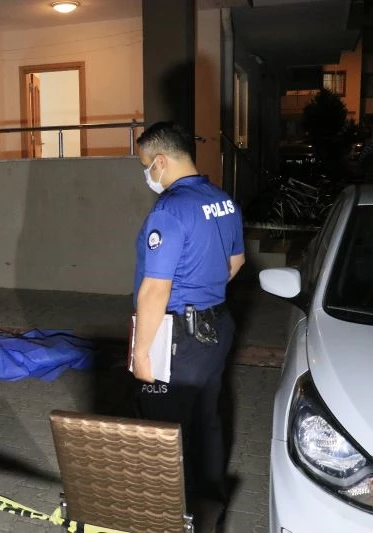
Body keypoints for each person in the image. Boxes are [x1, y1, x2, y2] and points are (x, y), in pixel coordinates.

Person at [131, 121, 245, 515]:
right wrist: (204, 290)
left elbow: (155, 289)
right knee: (207, 419)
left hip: (179, 335)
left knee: (165, 430)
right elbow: (236, 262)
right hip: (216, 326)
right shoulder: (222, 200)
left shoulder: (170, 209)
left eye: (146, 166)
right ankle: (210, 504)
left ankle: (172, 513)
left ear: (161, 161)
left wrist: (141, 353)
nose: (148, 174)